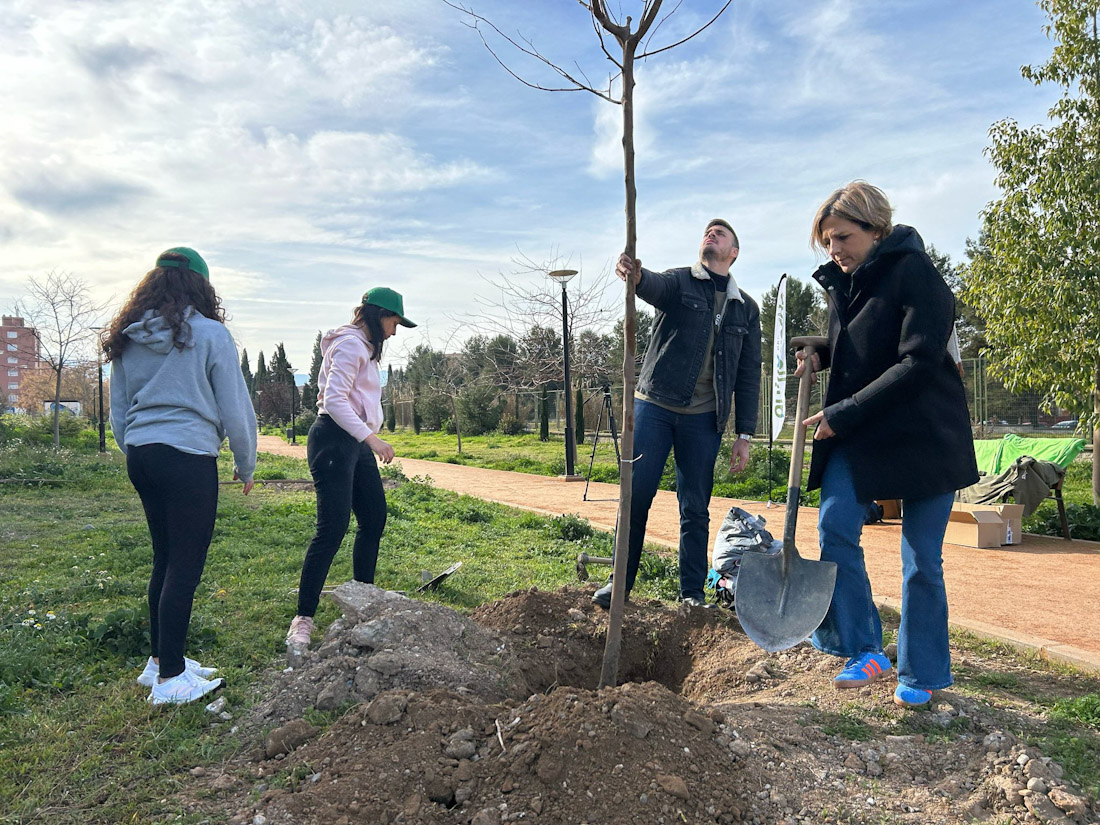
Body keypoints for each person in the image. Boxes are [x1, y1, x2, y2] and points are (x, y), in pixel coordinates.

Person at [795, 182, 978, 708]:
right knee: (834, 526)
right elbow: (864, 344)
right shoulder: (845, 281)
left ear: (876, 228)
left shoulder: (918, 274)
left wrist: (842, 412)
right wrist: (822, 356)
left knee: (921, 559)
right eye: (828, 242)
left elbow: (917, 361)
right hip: (866, 433)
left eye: (843, 238)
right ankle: (865, 647)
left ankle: (921, 672)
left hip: (924, 437)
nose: (835, 250)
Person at [106, 247, 257, 706]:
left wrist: (134, 447)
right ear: (202, 287)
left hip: (142, 454)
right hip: (188, 456)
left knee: (164, 558)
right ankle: (172, 680)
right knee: (185, 567)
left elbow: (118, 410)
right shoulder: (210, 335)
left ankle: (158, 662)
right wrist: (245, 461)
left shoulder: (128, 339)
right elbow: (235, 404)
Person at [595, 219, 762, 609]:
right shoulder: (681, 281)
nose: (711, 234)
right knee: (635, 497)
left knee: (695, 508)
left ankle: (691, 594)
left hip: (704, 420)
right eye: (708, 231)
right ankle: (618, 584)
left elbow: (749, 373)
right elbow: (652, 284)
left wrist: (745, 434)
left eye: (721, 234)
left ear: (734, 252)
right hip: (654, 406)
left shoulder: (746, 309)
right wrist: (634, 274)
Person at [285, 288, 416, 649]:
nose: (394, 331)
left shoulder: (366, 351)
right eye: (393, 322)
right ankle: (303, 619)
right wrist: (373, 440)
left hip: (354, 441)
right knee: (332, 528)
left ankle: (363, 599)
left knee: (374, 518)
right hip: (332, 439)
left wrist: (367, 434)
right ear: (377, 315)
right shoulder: (349, 345)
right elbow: (334, 401)